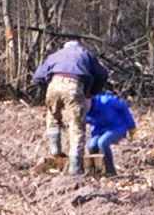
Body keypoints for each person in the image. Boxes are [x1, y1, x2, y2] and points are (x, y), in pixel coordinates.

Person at [32, 39, 109, 175]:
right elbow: (103, 74)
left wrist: (48, 88)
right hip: (74, 85)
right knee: (77, 125)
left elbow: (38, 77)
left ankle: (55, 150)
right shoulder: (86, 54)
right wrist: (91, 92)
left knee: (53, 117)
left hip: (53, 85)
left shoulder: (55, 55)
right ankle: (75, 167)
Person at [85, 89, 135, 176]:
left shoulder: (106, 101)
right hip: (99, 130)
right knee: (92, 145)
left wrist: (131, 126)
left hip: (117, 127)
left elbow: (123, 107)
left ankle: (110, 171)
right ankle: (97, 170)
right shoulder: (83, 112)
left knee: (102, 143)